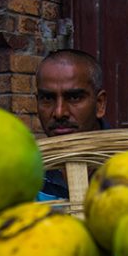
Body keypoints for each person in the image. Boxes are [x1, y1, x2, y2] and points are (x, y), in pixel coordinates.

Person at [34, 49, 109, 200]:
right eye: (47, 99)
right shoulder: (27, 174)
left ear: (100, 104)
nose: (59, 112)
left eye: (74, 97)